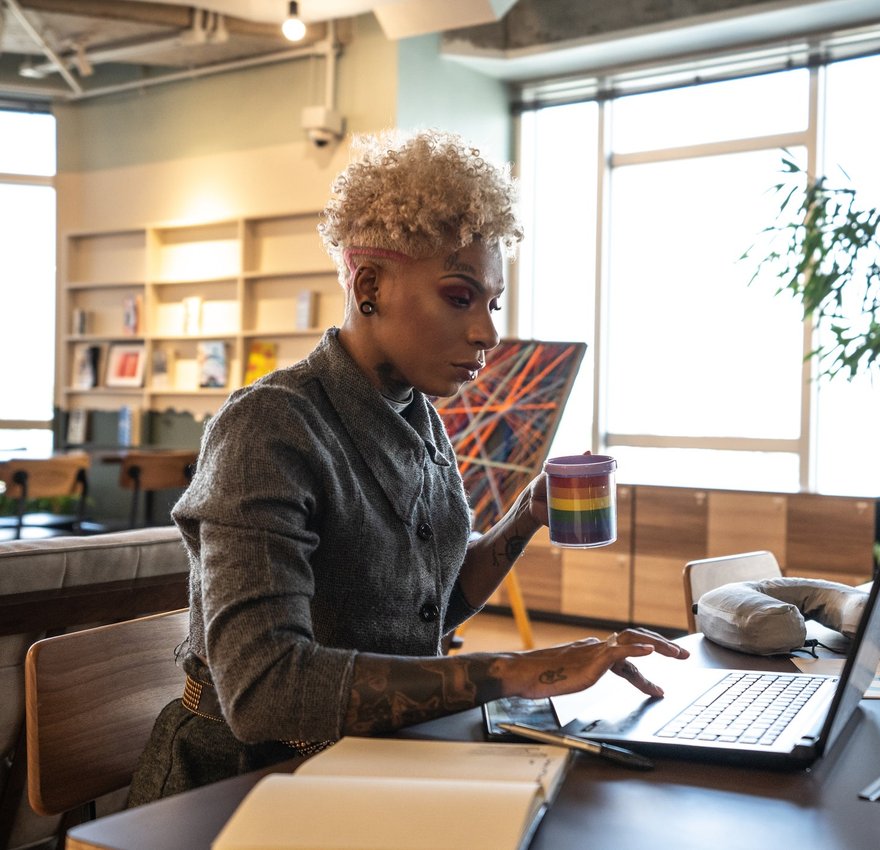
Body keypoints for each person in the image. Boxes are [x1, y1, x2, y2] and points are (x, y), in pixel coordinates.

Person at [127, 128, 687, 805]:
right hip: (238, 786)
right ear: (369, 285)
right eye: (461, 297)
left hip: (363, 762)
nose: (488, 332)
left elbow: (422, 611)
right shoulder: (270, 428)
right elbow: (266, 691)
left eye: (492, 303)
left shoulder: (417, 417)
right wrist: (511, 671)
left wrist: (525, 518)